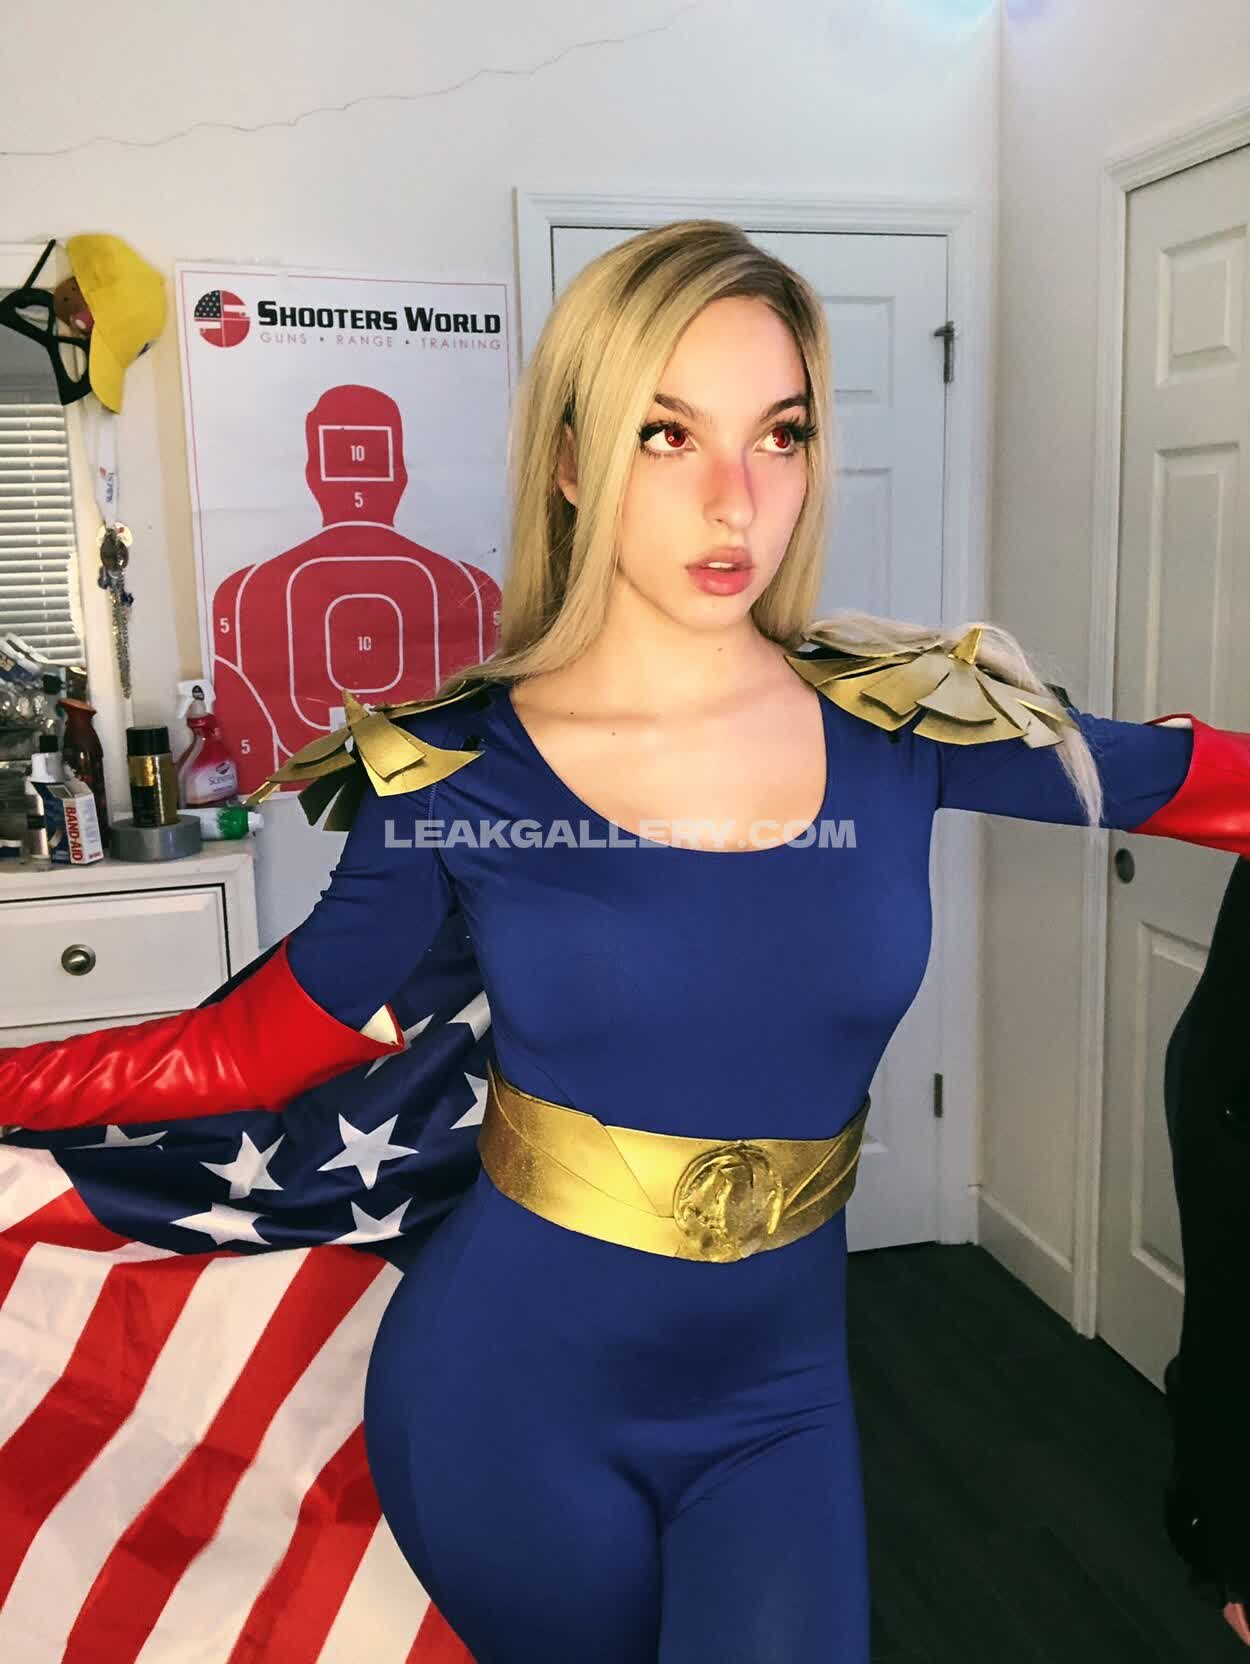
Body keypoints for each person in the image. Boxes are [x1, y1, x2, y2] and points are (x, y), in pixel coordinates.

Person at [4, 220, 1250, 1663]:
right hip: (509, 1402)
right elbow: (261, 1043)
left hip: (782, 1400)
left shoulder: (904, 723)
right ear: (571, 459)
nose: (736, 498)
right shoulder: (456, 766)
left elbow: (1212, 787)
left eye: (778, 434)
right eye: (669, 435)